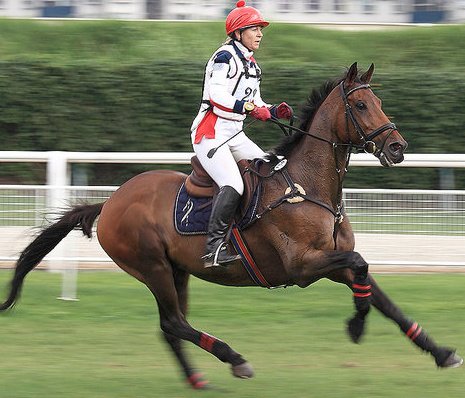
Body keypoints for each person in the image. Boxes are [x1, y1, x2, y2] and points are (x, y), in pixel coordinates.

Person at [191, 0, 293, 268]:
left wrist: (272, 110)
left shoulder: (252, 64)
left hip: (234, 133)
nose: (260, 33)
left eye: (260, 29)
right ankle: (213, 249)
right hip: (211, 132)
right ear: (238, 33)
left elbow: (255, 100)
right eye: (254, 28)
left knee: (274, 166)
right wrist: (248, 108)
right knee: (233, 184)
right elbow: (217, 96)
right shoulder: (224, 57)